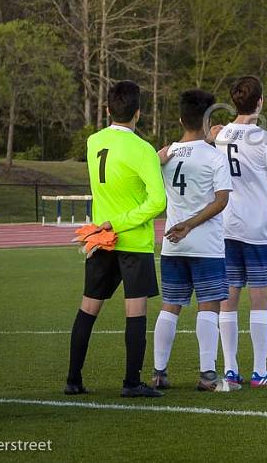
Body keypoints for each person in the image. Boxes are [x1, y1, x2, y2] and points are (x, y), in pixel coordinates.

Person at [65, 80, 167, 398]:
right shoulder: (143, 150)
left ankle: (73, 380)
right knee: (134, 313)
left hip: (101, 240)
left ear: (108, 110)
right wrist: (120, 223)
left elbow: (119, 170)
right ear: (138, 113)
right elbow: (158, 202)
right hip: (132, 241)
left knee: (88, 310)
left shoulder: (94, 141)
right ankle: (132, 383)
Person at [151, 90, 232, 391]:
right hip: (205, 244)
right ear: (209, 120)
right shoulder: (214, 156)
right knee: (208, 307)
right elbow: (221, 200)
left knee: (170, 306)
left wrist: (181, 224)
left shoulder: (164, 154)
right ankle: (208, 375)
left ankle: (159, 372)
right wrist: (190, 224)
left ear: (181, 118)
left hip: (172, 243)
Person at [213, 76, 267, 388]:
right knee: (259, 300)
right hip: (256, 227)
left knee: (228, 299)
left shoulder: (219, 136)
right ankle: (259, 371)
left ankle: (231, 369)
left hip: (226, 225)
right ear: (260, 102)